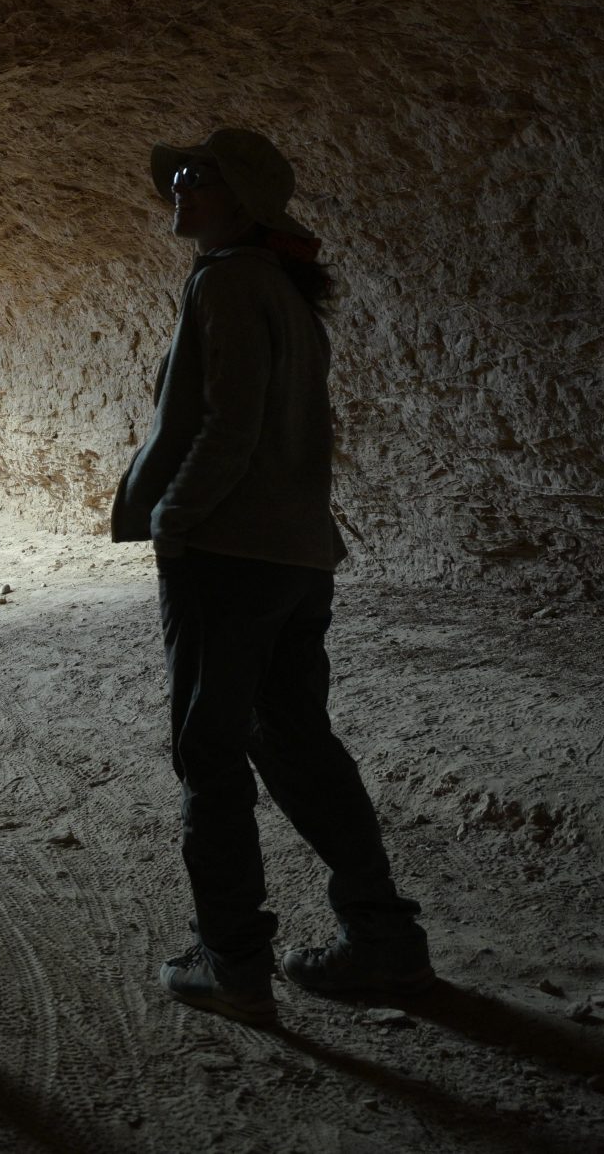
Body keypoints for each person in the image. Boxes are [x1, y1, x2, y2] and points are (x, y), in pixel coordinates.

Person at [112, 126, 432, 1023]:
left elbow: (229, 423)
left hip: (230, 553)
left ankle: (234, 960)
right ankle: (384, 939)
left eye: (197, 176)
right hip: (296, 554)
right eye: (176, 171)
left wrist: (174, 519)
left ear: (241, 200)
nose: (178, 184)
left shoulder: (229, 280)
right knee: (294, 737)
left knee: (208, 754)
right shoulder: (284, 291)